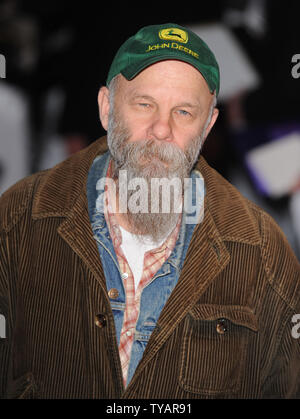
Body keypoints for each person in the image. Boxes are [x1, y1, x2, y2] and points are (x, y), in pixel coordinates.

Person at [0, 23, 299, 400]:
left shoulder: (261, 253)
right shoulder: (18, 222)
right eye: (144, 105)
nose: (162, 129)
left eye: (184, 112)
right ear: (107, 109)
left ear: (208, 126)